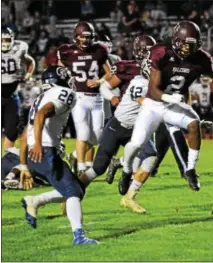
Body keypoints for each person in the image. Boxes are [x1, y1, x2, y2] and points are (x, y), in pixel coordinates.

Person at [121, 21, 213, 192]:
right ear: (176, 41)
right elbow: (152, 90)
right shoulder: (161, 53)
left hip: (173, 105)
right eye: (186, 44)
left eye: (192, 45)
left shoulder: (201, 58)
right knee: (135, 145)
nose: (188, 49)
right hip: (154, 104)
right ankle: (126, 169)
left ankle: (190, 169)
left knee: (194, 123)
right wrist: (169, 97)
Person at [77, 35, 157, 214]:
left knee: (150, 157)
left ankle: (129, 196)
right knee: (97, 168)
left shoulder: (158, 72)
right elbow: (105, 85)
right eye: (149, 53)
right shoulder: (128, 68)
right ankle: (72, 194)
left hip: (139, 127)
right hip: (120, 121)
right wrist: (112, 97)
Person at [20, 66, 98, 245]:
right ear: (60, 79)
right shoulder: (64, 93)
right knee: (74, 190)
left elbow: (24, 135)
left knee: (73, 188)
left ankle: (35, 200)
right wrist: (39, 145)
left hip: (33, 155)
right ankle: (79, 236)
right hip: (44, 151)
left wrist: (24, 165)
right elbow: (42, 114)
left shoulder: (39, 98)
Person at [57, 21, 111, 176]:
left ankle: (74, 156)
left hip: (96, 98)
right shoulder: (67, 52)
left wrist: (99, 81)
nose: (86, 40)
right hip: (78, 97)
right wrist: (66, 81)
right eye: (83, 37)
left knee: (98, 136)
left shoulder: (99, 50)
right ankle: (81, 167)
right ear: (76, 36)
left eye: (88, 37)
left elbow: (109, 72)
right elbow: (59, 70)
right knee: (83, 132)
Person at [1, 27, 36, 150]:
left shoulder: (19, 48)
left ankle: (6, 164)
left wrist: (28, 74)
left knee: (11, 134)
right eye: (2, 40)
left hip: (12, 96)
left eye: (7, 40)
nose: (4, 43)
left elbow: (31, 61)